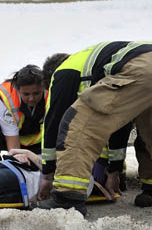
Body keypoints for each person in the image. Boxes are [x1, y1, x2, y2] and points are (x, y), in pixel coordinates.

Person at [35, 42, 152, 213]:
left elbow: (54, 120)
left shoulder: (63, 71)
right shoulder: (94, 62)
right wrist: (114, 171)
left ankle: (68, 197)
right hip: (144, 66)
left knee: (77, 124)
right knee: (149, 129)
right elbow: (120, 122)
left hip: (143, 69)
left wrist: (47, 174)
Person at [0, 65, 45, 164]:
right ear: (18, 90)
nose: (31, 98)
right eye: (26, 94)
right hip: (6, 135)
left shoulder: (51, 93)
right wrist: (18, 158)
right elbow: (11, 135)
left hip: (34, 138)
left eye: (36, 93)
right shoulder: (7, 98)